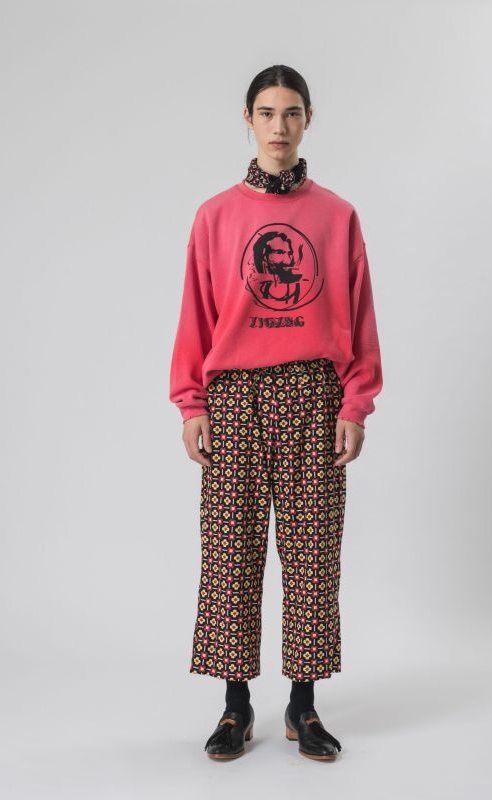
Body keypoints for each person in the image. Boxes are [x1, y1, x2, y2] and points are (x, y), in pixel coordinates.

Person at [169, 64, 383, 761]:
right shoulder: (215, 216)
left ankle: (303, 704)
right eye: (267, 113)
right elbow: (196, 317)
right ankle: (235, 705)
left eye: (292, 113)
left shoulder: (336, 216)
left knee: (312, 552)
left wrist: (356, 400)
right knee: (230, 551)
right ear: (248, 120)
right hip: (233, 397)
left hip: (313, 393)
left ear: (308, 120)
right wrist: (191, 402)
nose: (279, 127)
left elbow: (358, 315)